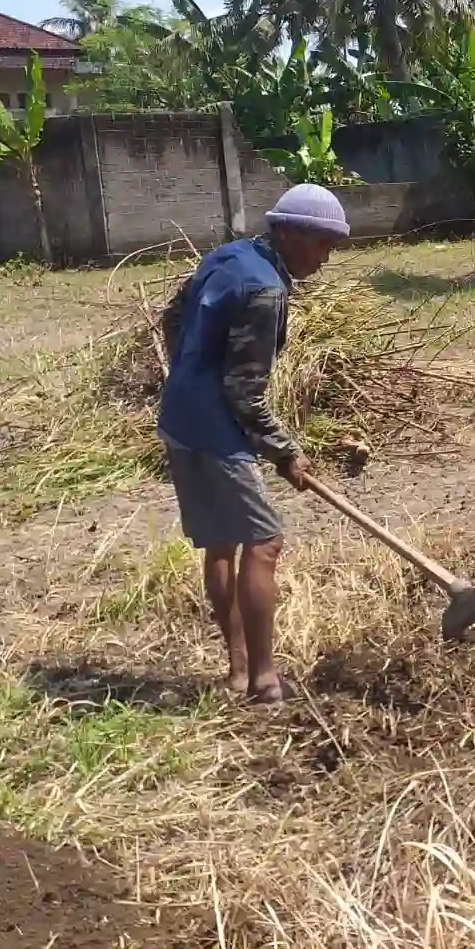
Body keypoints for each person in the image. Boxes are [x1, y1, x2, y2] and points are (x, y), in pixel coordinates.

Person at [157, 184, 350, 703]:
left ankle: (238, 671)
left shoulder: (227, 257)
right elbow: (244, 391)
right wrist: (286, 452)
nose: (324, 258)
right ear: (287, 232)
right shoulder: (267, 290)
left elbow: (171, 318)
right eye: (320, 244)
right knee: (263, 543)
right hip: (215, 429)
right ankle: (265, 680)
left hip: (177, 415)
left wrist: (190, 373)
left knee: (222, 543)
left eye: (331, 246)